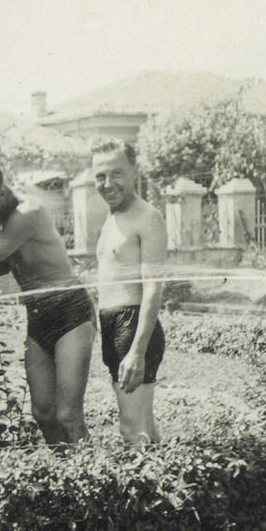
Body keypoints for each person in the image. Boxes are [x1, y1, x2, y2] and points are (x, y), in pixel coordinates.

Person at [0, 160, 95, 447]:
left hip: (70, 311)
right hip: (38, 315)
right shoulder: (0, 219)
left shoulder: (28, 213)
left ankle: (95, 483)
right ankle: (65, 475)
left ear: (0, 192)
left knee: (68, 415)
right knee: (43, 413)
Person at [92, 138, 167, 448]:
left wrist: (137, 349)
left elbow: (153, 288)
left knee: (131, 432)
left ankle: (143, 495)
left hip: (132, 325)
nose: (108, 184)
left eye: (117, 173)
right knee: (145, 428)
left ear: (135, 171)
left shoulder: (147, 217)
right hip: (113, 325)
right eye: (100, 176)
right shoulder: (112, 218)